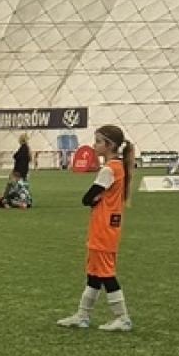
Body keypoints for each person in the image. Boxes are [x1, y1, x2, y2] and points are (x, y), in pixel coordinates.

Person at [57, 125, 135, 332]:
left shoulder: (109, 169)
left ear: (109, 145)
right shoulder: (118, 167)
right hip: (105, 225)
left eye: (99, 141)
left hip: (104, 227)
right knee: (94, 274)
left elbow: (87, 198)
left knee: (106, 274)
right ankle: (83, 315)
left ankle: (122, 317)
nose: (94, 145)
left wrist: (94, 199)